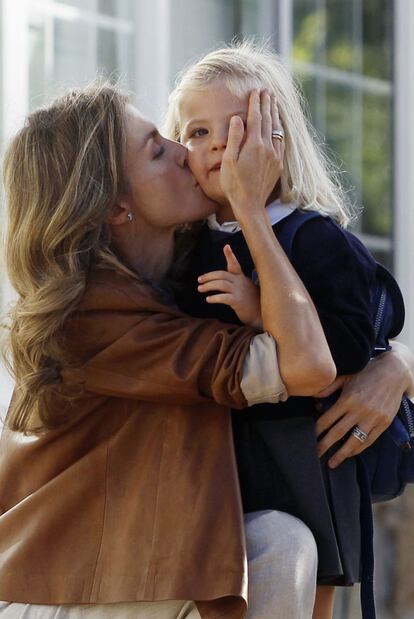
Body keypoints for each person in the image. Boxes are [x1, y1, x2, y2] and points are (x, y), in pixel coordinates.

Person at [0, 82, 337, 618]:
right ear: (115, 206)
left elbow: (331, 334)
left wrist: (397, 363)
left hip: (136, 577)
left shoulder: (177, 275)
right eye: (158, 150)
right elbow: (310, 366)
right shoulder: (94, 316)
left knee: (277, 543)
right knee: (279, 545)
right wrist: (250, 208)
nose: (187, 152)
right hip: (68, 597)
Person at [164, 40, 414, 619]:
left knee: (305, 595)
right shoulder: (183, 248)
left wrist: (259, 312)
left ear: (278, 140)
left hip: (304, 455)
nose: (218, 144)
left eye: (237, 127)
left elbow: (349, 348)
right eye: (197, 132)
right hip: (212, 460)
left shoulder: (320, 239)